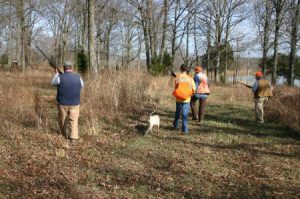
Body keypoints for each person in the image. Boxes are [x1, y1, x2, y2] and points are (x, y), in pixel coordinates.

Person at [51, 62, 84, 142]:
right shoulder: (78, 77)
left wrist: (56, 74)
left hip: (62, 103)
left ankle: (62, 134)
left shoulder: (60, 77)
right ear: (71, 68)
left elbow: (53, 83)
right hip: (75, 103)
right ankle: (73, 138)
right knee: (74, 120)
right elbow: (82, 85)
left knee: (62, 119)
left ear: (64, 68)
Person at [172, 64, 196, 134]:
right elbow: (194, 88)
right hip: (187, 99)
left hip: (178, 98)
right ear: (186, 70)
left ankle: (175, 125)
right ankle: (185, 130)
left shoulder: (177, 77)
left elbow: (176, 88)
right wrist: (189, 94)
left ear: (180, 69)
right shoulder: (190, 78)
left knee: (177, 113)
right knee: (185, 115)